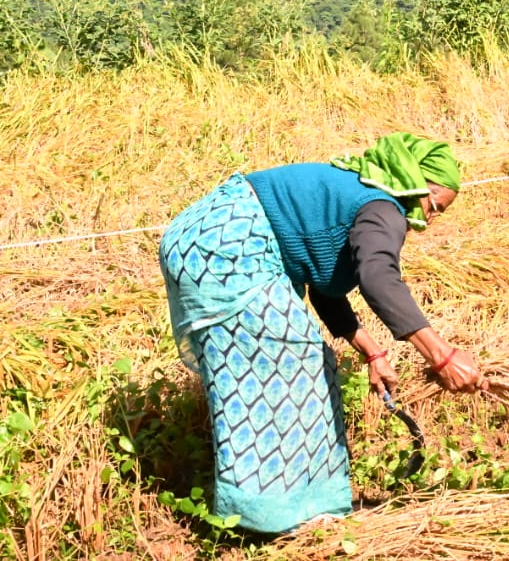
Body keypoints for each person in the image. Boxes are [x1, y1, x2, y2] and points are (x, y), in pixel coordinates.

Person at [159, 133, 487, 533]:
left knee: (294, 365)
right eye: (435, 206)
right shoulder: (383, 208)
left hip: (207, 238)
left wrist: (373, 353)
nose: (432, 219)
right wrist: (442, 355)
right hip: (227, 247)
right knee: (291, 366)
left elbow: (324, 283)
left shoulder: (359, 192)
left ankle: (289, 507)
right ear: (417, 186)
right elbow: (378, 278)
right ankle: (274, 515)